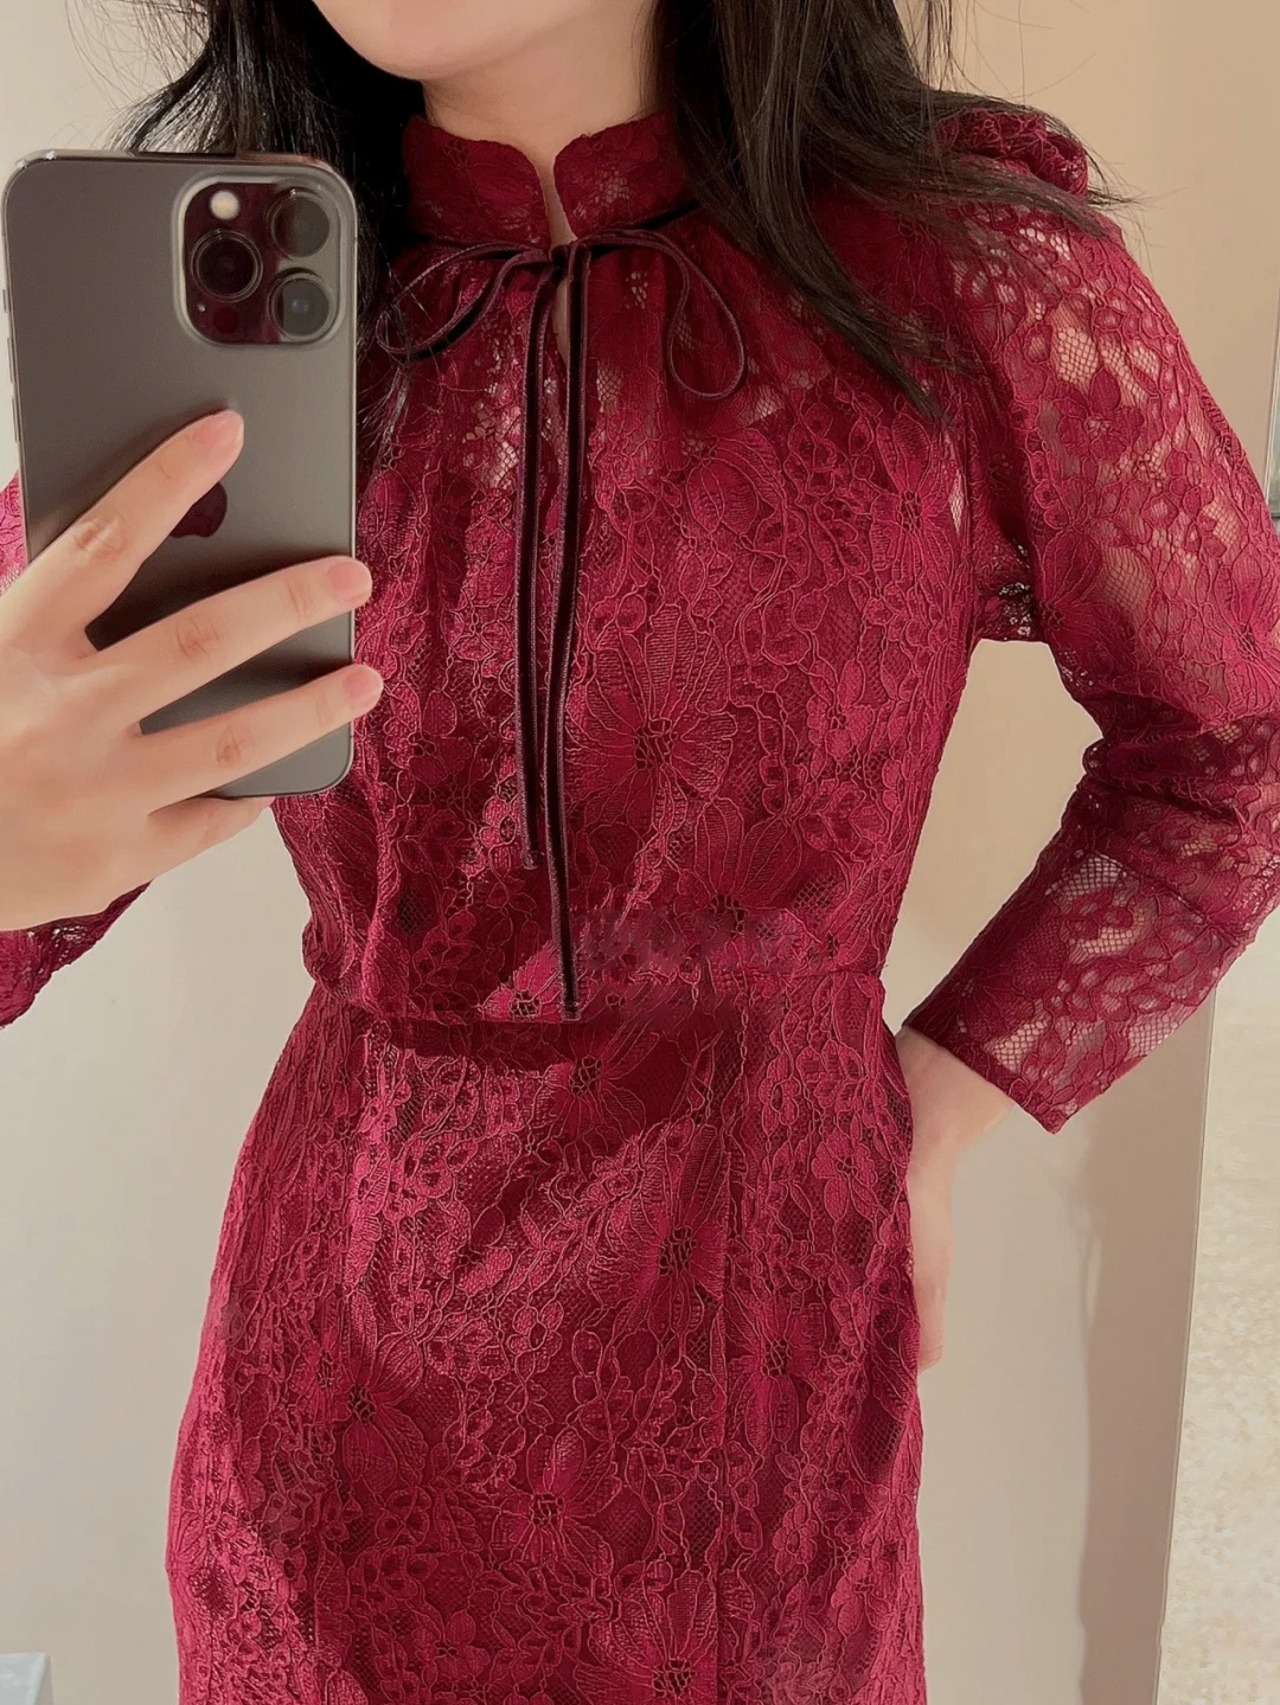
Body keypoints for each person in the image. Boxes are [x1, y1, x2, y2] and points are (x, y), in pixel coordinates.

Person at [2, 1, 1278, 1700]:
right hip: (320, 1447)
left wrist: (948, 1096)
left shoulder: (962, 276)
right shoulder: (235, 331)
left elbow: (1235, 747)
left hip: (758, 1429)